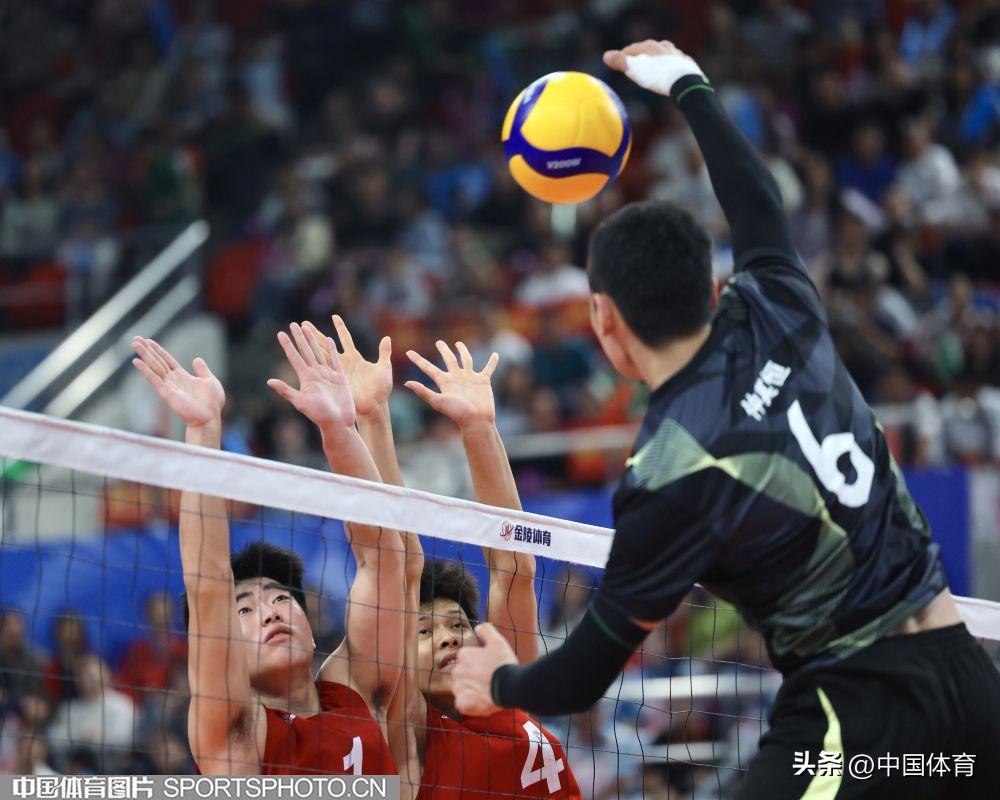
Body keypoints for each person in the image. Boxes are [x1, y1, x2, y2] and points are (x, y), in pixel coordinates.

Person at [452, 40, 1000, 799]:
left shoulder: (668, 468)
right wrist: (688, 84)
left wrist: (499, 682)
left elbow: (583, 673)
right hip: (970, 689)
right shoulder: (775, 307)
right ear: (713, 289)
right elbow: (757, 203)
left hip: (854, 719)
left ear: (604, 322)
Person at [300, 316, 580, 800]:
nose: (449, 637)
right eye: (425, 632)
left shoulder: (508, 689)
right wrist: (372, 417)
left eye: (457, 625)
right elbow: (395, 563)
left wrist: (479, 428)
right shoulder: (408, 733)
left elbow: (514, 568)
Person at [130, 330, 404, 775]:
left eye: (281, 598)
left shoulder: (356, 688)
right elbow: (207, 587)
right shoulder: (236, 731)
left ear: (311, 630)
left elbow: (383, 559)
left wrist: (339, 430)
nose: (272, 612)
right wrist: (203, 432)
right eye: (244, 610)